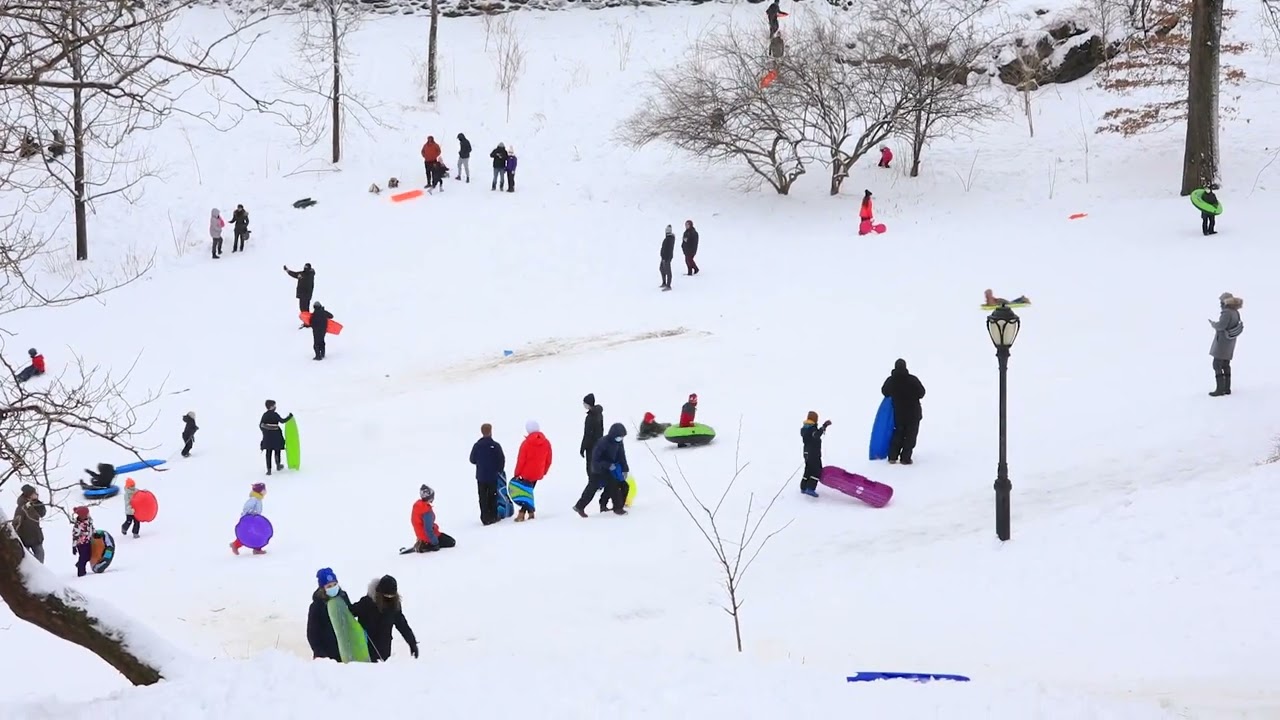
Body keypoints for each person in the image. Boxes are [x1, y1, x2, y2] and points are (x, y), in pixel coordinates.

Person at [352, 575, 419, 662]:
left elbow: (402, 625)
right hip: (364, 650)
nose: (389, 599)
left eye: (391, 596)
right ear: (379, 593)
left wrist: (412, 642)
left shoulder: (394, 607)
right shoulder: (367, 603)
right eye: (386, 596)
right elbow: (350, 612)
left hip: (384, 651)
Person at [574, 423, 630, 517]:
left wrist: (625, 469)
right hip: (598, 470)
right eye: (619, 437)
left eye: (622, 437)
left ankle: (613, 506)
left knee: (619, 485)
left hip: (611, 469)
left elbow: (621, 456)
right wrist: (607, 465)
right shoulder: (602, 443)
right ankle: (579, 506)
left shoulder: (619, 442)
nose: (620, 439)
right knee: (592, 489)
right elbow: (595, 460)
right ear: (613, 434)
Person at [881, 359, 926, 464]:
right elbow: (922, 393)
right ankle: (905, 458)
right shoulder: (912, 380)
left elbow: (885, 392)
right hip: (913, 413)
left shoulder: (891, 381)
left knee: (898, 434)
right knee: (910, 436)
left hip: (899, 414)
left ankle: (892, 457)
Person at [307, 567, 352, 661]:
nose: (333, 588)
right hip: (327, 654)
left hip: (345, 651)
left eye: (335, 584)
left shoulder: (343, 597)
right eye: (329, 586)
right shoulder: (316, 606)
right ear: (322, 588)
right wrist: (320, 654)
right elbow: (312, 634)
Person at [512, 420, 552, 522]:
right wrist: (544, 471)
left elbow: (521, 460)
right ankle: (531, 512)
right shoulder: (546, 443)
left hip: (526, 473)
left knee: (526, 493)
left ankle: (522, 513)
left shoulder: (526, 444)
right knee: (529, 491)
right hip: (538, 472)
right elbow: (548, 460)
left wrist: (517, 473)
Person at [469, 423, 506, 525]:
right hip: (492, 476)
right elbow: (501, 460)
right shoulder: (495, 446)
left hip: (481, 476)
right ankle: (493, 516)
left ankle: (485, 517)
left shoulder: (477, 446)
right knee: (493, 496)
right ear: (491, 431)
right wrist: (499, 470)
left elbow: (472, 459)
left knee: (482, 497)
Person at [1209, 292, 1244, 397]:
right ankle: (1227, 388)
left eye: (1221, 301)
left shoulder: (1226, 313)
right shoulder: (1235, 312)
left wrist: (1213, 324)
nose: (1220, 304)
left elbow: (1221, 326)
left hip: (1222, 342)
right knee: (1225, 364)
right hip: (1230, 342)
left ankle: (1220, 389)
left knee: (1217, 364)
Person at [411, 484, 457, 551]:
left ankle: (422, 542)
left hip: (421, 535)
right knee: (452, 542)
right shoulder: (426, 511)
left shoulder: (418, 506)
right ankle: (425, 544)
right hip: (428, 537)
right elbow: (428, 529)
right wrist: (434, 543)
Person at [579, 394, 605, 509]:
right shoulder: (599, 414)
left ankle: (594, 484)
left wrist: (583, 447)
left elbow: (587, 434)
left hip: (591, 446)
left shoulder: (590, 417)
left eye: (585, 403)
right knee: (596, 465)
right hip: (598, 443)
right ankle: (598, 483)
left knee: (590, 466)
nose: (583, 405)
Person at [799, 411, 831, 497]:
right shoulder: (812, 428)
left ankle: (803, 487)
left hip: (806, 452)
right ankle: (810, 488)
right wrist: (824, 426)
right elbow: (816, 435)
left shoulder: (804, 428)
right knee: (816, 470)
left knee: (808, 468)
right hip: (813, 453)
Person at [12, 484, 47, 563]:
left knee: (40, 557)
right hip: (25, 538)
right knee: (28, 561)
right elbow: (16, 523)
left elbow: (42, 513)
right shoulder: (22, 507)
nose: (36, 494)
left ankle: (40, 573)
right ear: (29, 494)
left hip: (36, 536)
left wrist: (38, 502)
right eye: (34, 493)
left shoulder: (35, 504)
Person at [230, 482, 267, 555]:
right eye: (264, 489)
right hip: (249, 520)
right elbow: (247, 508)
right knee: (248, 535)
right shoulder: (253, 499)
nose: (265, 491)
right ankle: (235, 545)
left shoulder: (258, 499)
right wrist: (250, 516)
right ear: (260, 491)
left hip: (254, 520)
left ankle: (257, 549)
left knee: (257, 534)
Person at [260, 400, 294, 475]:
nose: (275, 407)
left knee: (268, 453)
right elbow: (282, 421)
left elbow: (261, 425)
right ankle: (278, 465)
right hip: (276, 437)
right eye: (274, 405)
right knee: (277, 451)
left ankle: (269, 470)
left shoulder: (264, 415)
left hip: (267, 438)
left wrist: (265, 432)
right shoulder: (275, 414)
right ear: (271, 406)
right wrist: (290, 417)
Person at [72, 505, 94, 577]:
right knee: (83, 557)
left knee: (88, 556)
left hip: (88, 541)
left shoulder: (88, 521)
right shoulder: (78, 525)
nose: (88, 515)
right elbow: (75, 536)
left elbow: (91, 529)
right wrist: (74, 546)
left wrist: (94, 534)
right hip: (81, 544)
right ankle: (81, 572)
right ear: (83, 516)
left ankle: (79, 564)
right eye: (87, 514)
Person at [659, 225, 675, 291]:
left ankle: (668, 285)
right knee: (661, 269)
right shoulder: (669, 239)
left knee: (668, 271)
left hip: (666, 257)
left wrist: (664, 258)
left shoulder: (668, 239)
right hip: (665, 257)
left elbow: (667, 249)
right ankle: (664, 282)